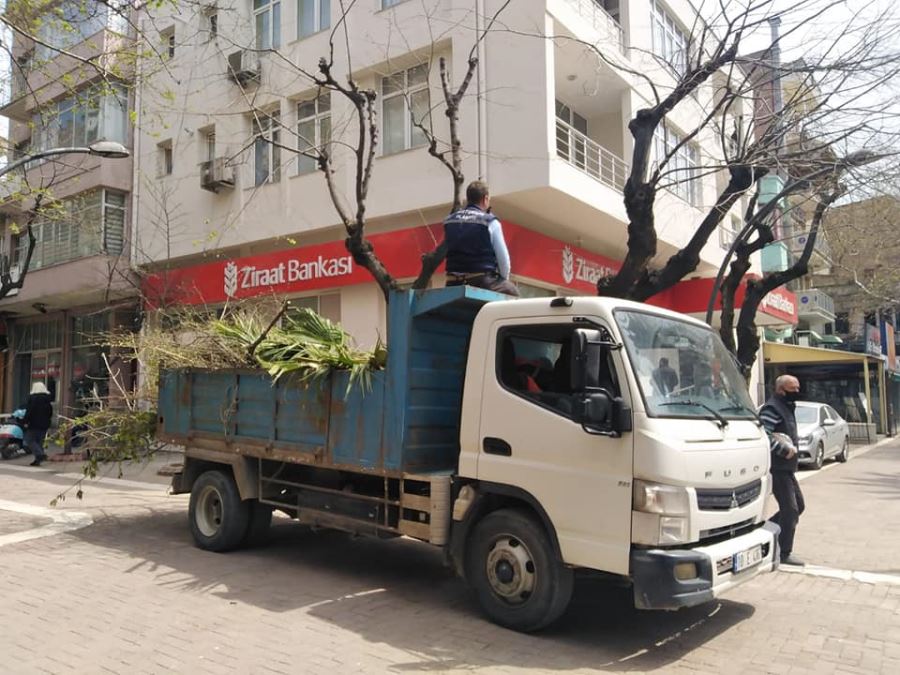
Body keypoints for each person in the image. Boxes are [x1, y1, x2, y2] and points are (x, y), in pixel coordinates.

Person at [759, 374, 805, 566]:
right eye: (792, 389)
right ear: (780, 390)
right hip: (777, 468)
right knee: (790, 510)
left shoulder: (786, 407)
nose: (796, 392)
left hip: (787, 468)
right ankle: (783, 552)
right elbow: (764, 435)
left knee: (798, 507)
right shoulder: (772, 408)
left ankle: (765, 533)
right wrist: (784, 450)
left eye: (797, 388)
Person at [444, 180, 519, 296]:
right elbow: (504, 260)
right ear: (485, 199)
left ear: (468, 199)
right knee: (513, 291)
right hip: (481, 281)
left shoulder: (449, 220)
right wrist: (504, 279)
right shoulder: (490, 221)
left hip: (452, 282)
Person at [24, 382, 53, 467]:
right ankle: (38, 460)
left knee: (29, 439)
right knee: (40, 442)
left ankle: (40, 455)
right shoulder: (47, 399)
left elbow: (29, 411)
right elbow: (50, 412)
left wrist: (25, 421)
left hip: (33, 423)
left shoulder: (33, 398)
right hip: (44, 424)